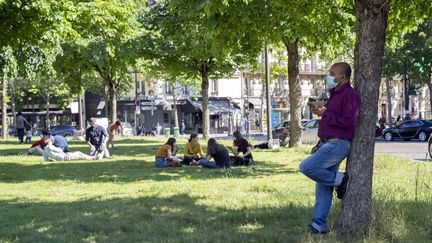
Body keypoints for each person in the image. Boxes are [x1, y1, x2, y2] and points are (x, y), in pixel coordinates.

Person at [299, 62, 360, 234]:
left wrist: (326, 113)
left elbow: (349, 122)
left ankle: (342, 180)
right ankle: (319, 225)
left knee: (306, 167)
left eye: (332, 73)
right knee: (323, 186)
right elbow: (329, 123)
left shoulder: (350, 95)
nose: (329, 76)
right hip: (327, 143)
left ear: (342, 76)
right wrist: (319, 144)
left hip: (338, 143)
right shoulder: (334, 94)